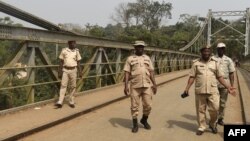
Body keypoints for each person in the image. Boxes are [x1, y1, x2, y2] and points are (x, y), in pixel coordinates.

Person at [183, 45, 235, 136]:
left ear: (210, 52)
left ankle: (212, 124)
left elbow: (220, 77)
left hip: (213, 90)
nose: (206, 53)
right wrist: (187, 88)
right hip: (200, 90)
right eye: (204, 51)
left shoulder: (215, 63)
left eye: (208, 51)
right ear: (201, 52)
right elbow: (192, 77)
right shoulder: (195, 63)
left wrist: (228, 87)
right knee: (200, 110)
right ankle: (201, 127)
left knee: (215, 108)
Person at [123, 40, 157, 133]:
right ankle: (135, 124)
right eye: (138, 46)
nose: (140, 48)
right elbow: (126, 73)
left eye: (142, 47)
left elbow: (151, 71)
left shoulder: (147, 58)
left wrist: (154, 84)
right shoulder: (130, 59)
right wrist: (125, 86)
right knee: (134, 106)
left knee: (148, 105)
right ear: (135, 48)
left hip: (147, 85)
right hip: (134, 85)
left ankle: (144, 119)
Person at [55, 40, 82, 108]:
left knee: (73, 86)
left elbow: (78, 62)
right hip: (65, 70)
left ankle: (71, 101)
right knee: (63, 85)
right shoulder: (64, 50)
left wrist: (80, 72)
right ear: (69, 44)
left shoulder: (76, 51)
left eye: (75, 43)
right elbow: (61, 61)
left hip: (73, 70)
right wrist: (59, 71)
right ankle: (60, 101)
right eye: (73, 43)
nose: (74, 45)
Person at [215, 42, 236, 125]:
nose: (221, 50)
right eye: (219, 48)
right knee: (215, 103)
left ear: (224, 49)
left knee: (222, 103)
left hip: (225, 84)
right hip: (215, 83)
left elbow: (231, 73)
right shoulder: (212, 59)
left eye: (223, 48)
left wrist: (232, 85)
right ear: (217, 49)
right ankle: (214, 119)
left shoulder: (228, 60)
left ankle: (220, 118)